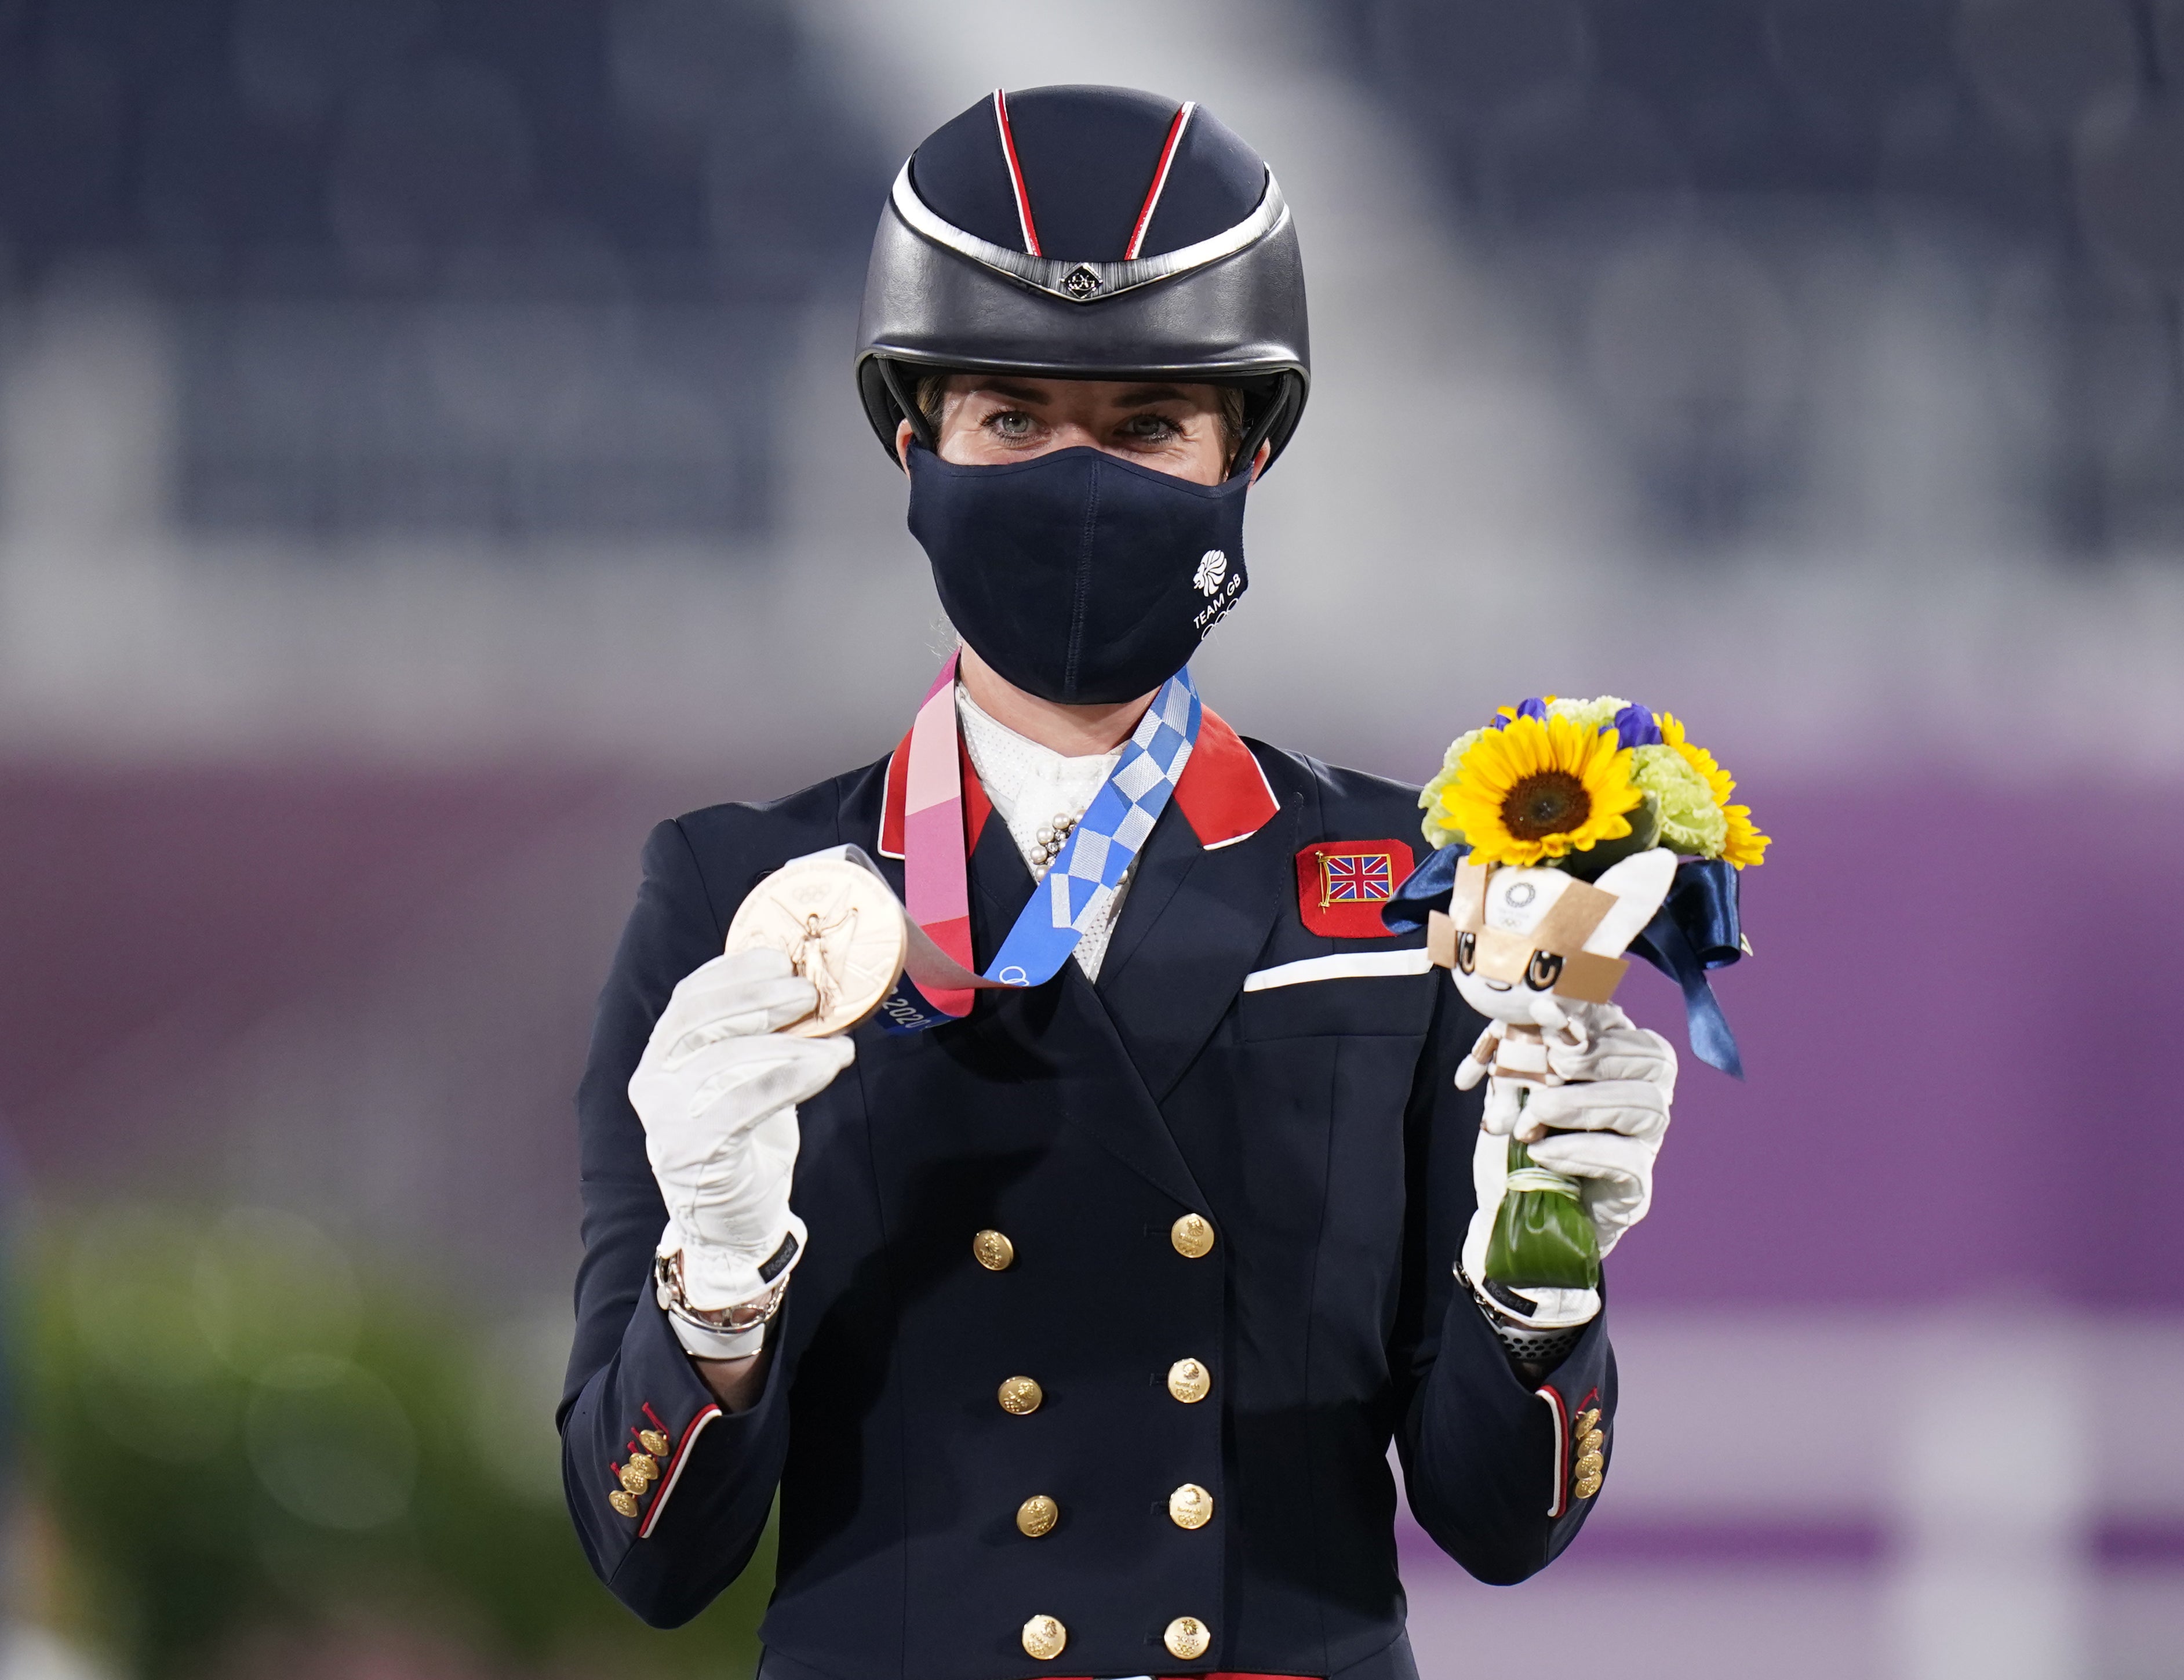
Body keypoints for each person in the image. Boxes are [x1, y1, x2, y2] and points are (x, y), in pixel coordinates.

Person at [560, 85, 1676, 1680]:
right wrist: (717, 1292)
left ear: (1250, 453)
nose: (1076, 476)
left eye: (1146, 425)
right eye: (1012, 419)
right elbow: (646, 1551)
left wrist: (1542, 1275)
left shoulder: (1413, 887)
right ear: (912, 440)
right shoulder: (735, 896)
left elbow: (1505, 1519)